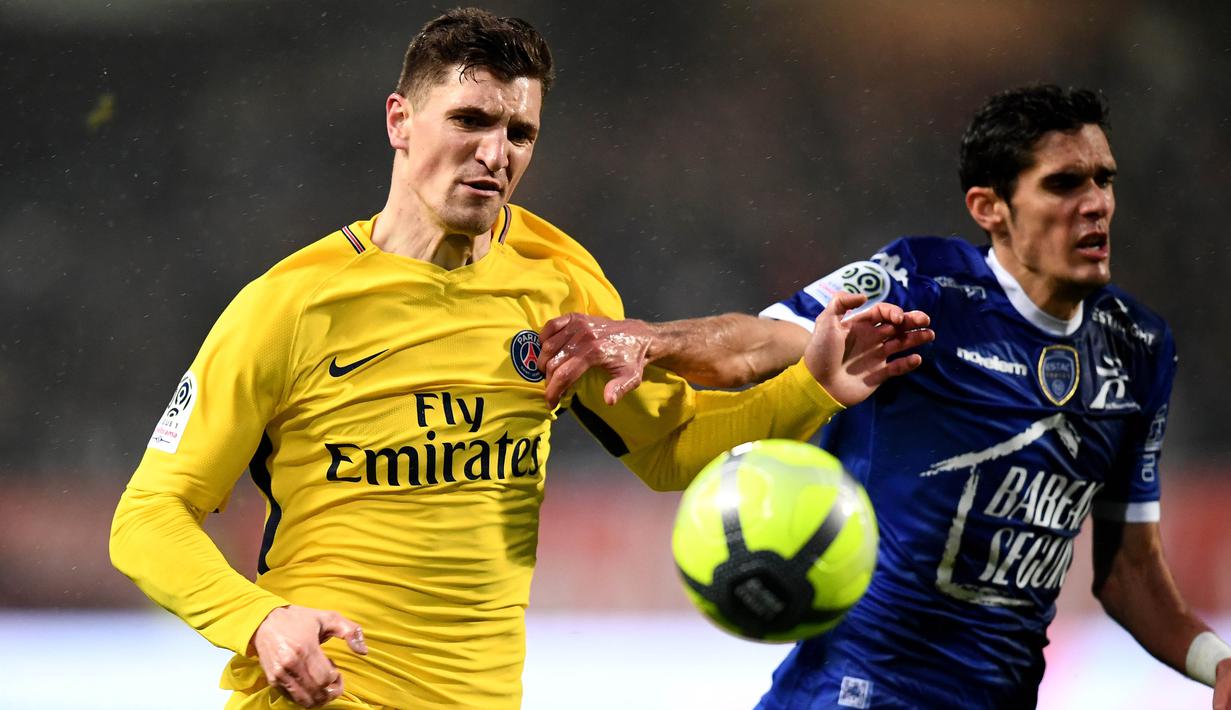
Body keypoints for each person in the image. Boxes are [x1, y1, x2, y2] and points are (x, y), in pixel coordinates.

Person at [108, 8, 933, 710]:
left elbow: (665, 449)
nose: (496, 153)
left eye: (519, 131)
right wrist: (258, 619)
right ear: (400, 121)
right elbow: (147, 519)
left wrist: (815, 387)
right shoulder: (289, 305)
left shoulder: (557, 283)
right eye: (469, 121)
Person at [539, 85, 1231, 709]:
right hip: (859, 692)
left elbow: (1128, 572)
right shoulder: (919, 286)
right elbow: (754, 346)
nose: (1096, 203)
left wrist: (1218, 665)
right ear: (988, 208)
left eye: (1103, 180)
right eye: (1063, 183)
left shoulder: (1137, 346)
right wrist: (652, 339)